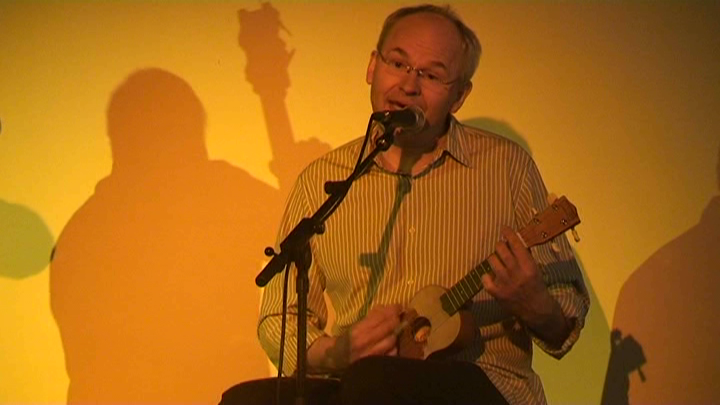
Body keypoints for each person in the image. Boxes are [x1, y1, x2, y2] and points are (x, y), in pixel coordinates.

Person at [256, 4, 589, 405]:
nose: (408, 86)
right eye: (398, 64)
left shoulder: (507, 168)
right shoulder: (322, 181)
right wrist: (336, 353)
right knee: (245, 399)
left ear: (459, 95)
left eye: (431, 75)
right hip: (361, 389)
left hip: (480, 387)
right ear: (372, 67)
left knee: (376, 380)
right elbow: (278, 318)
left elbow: (566, 315)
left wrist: (535, 305)